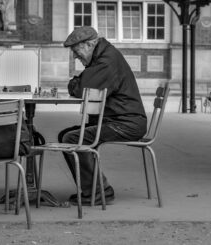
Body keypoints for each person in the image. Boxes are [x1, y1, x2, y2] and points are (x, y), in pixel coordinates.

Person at [58, 26, 147, 205]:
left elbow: (82, 89)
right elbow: (83, 83)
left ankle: (98, 193)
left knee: (73, 139)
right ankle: (94, 190)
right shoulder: (103, 57)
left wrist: (77, 81)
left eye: (76, 51)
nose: (75, 56)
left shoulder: (105, 61)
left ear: (90, 44)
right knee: (66, 136)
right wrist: (79, 81)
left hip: (125, 123)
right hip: (119, 120)